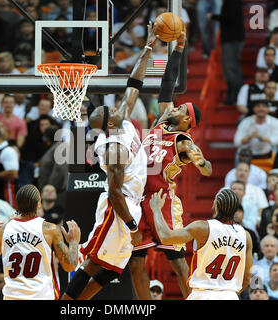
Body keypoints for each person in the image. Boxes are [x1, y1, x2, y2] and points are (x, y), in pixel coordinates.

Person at [61, 22, 157, 301]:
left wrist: (149, 47)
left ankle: (78, 304)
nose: (113, 106)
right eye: (108, 109)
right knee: (92, 262)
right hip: (118, 210)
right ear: (109, 122)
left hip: (131, 205)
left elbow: (134, 84)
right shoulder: (113, 147)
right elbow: (114, 193)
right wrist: (132, 227)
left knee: (111, 269)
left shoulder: (122, 121)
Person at [129, 27, 212, 300]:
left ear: (187, 120)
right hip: (139, 196)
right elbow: (168, 82)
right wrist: (178, 48)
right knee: (136, 261)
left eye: (180, 108)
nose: (174, 107)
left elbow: (207, 167)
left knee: (176, 260)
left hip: (162, 200)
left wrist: (201, 162)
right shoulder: (161, 121)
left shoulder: (184, 142)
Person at [149, 188, 253, 300]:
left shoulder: (202, 228)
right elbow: (247, 278)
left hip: (203, 294)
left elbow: (165, 237)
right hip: (230, 295)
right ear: (235, 210)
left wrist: (156, 210)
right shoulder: (246, 236)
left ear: (216, 206)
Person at [0, 184, 81, 300]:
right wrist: (74, 242)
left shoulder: (5, 229)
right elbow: (70, 265)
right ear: (38, 204)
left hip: (12, 296)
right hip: (42, 296)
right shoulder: (50, 229)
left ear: (17, 205)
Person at [210, 0, 245, 105]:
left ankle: (233, 96)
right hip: (234, 38)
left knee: (230, 68)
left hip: (232, 39)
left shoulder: (231, 2)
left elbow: (228, 18)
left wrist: (213, 16)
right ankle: (236, 95)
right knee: (233, 67)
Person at [234, 101, 278, 172]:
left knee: (276, 149)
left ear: (268, 109)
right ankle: (238, 175)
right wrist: (249, 137)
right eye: (258, 106)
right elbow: (237, 142)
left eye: (264, 106)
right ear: (253, 109)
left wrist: (261, 138)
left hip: (268, 151)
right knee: (239, 152)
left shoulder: (275, 122)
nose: (261, 109)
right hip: (249, 152)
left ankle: (274, 175)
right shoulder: (245, 122)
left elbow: (276, 140)